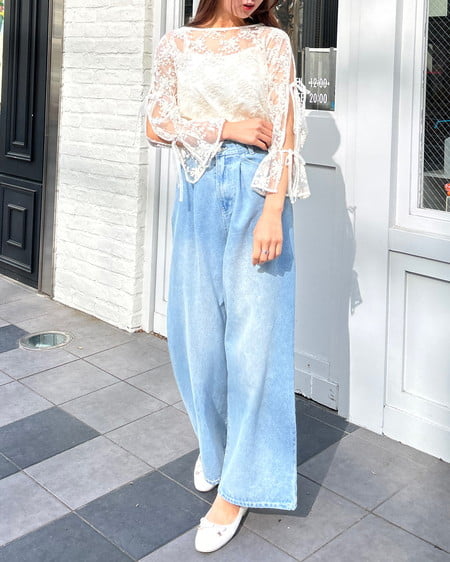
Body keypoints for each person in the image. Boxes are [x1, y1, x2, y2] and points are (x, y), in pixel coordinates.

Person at [141, 0, 310, 553]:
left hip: (257, 193)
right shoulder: (176, 44)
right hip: (197, 192)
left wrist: (273, 209)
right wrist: (226, 127)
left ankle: (238, 488)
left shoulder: (272, 43)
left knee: (255, 345)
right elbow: (155, 124)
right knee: (196, 340)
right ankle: (215, 449)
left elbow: (286, 131)